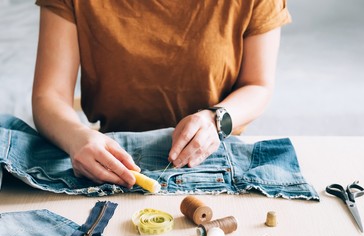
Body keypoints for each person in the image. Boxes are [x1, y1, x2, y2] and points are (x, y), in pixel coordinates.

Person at [32, 0, 291, 189]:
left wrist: (216, 119)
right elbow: (49, 95)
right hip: (110, 157)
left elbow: (258, 85)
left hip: (215, 155)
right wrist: (76, 137)